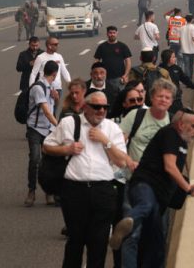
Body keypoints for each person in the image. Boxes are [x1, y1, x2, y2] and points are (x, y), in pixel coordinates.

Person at [43, 91, 136, 268]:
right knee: (75, 240)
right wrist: (66, 150)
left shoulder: (112, 129)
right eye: (96, 107)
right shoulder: (68, 123)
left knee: (98, 242)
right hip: (74, 190)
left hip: (103, 190)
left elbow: (122, 161)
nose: (101, 111)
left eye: (105, 107)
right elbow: (47, 146)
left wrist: (105, 141)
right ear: (85, 107)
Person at [110, 108, 194, 267]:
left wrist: (189, 185)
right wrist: (188, 189)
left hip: (160, 196)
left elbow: (172, 172)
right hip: (145, 185)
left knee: (156, 246)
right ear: (180, 124)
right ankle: (126, 224)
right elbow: (170, 167)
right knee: (146, 205)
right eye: (193, 126)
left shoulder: (181, 141)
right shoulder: (170, 134)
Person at [116, 79, 177, 267]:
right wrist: (128, 161)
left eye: (167, 97)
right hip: (135, 183)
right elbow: (118, 143)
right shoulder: (136, 116)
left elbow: (178, 156)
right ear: (151, 97)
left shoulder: (174, 122)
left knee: (158, 238)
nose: (163, 100)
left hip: (161, 188)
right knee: (132, 235)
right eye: (160, 96)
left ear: (172, 101)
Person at [25, 61, 60, 207]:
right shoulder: (38, 88)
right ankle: (31, 191)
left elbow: (53, 106)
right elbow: (46, 110)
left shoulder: (50, 86)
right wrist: (60, 127)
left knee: (49, 162)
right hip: (35, 129)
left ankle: (49, 192)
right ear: (55, 73)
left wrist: (56, 97)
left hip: (48, 129)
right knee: (35, 159)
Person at [30, 36, 71, 116]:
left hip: (57, 89)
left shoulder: (59, 56)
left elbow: (64, 71)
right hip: (44, 88)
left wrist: (70, 83)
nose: (57, 46)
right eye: (55, 44)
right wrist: (31, 88)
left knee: (54, 110)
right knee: (47, 111)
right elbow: (33, 73)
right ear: (49, 45)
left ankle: (52, 127)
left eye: (57, 44)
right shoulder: (41, 57)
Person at [160, 49, 194, 113]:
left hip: (176, 99)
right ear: (168, 59)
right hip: (165, 100)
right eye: (173, 57)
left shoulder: (176, 68)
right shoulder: (159, 70)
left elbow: (185, 79)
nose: (175, 58)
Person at [94, 26, 132, 91]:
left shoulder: (122, 46)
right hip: (105, 78)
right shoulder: (102, 46)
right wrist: (97, 74)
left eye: (114, 33)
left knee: (120, 97)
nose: (112, 34)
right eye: (110, 33)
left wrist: (126, 75)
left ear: (117, 33)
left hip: (119, 78)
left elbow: (128, 61)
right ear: (107, 34)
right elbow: (96, 61)